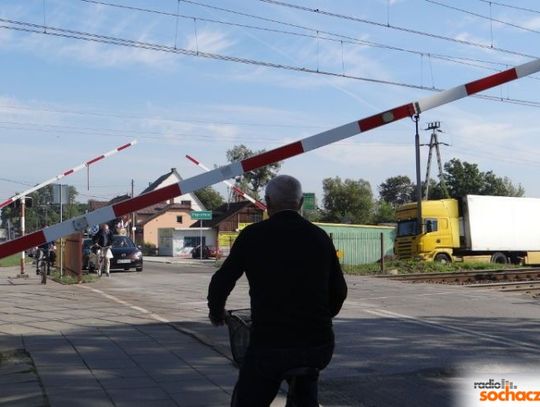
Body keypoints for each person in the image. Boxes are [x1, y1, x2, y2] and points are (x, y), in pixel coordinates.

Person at [207, 175, 348, 406]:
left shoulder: (253, 236)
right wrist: (321, 316)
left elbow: (222, 280)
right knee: (306, 385)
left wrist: (216, 311)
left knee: (249, 397)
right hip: (316, 344)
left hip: (270, 343)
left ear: (268, 202)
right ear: (300, 203)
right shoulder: (319, 237)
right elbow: (339, 290)